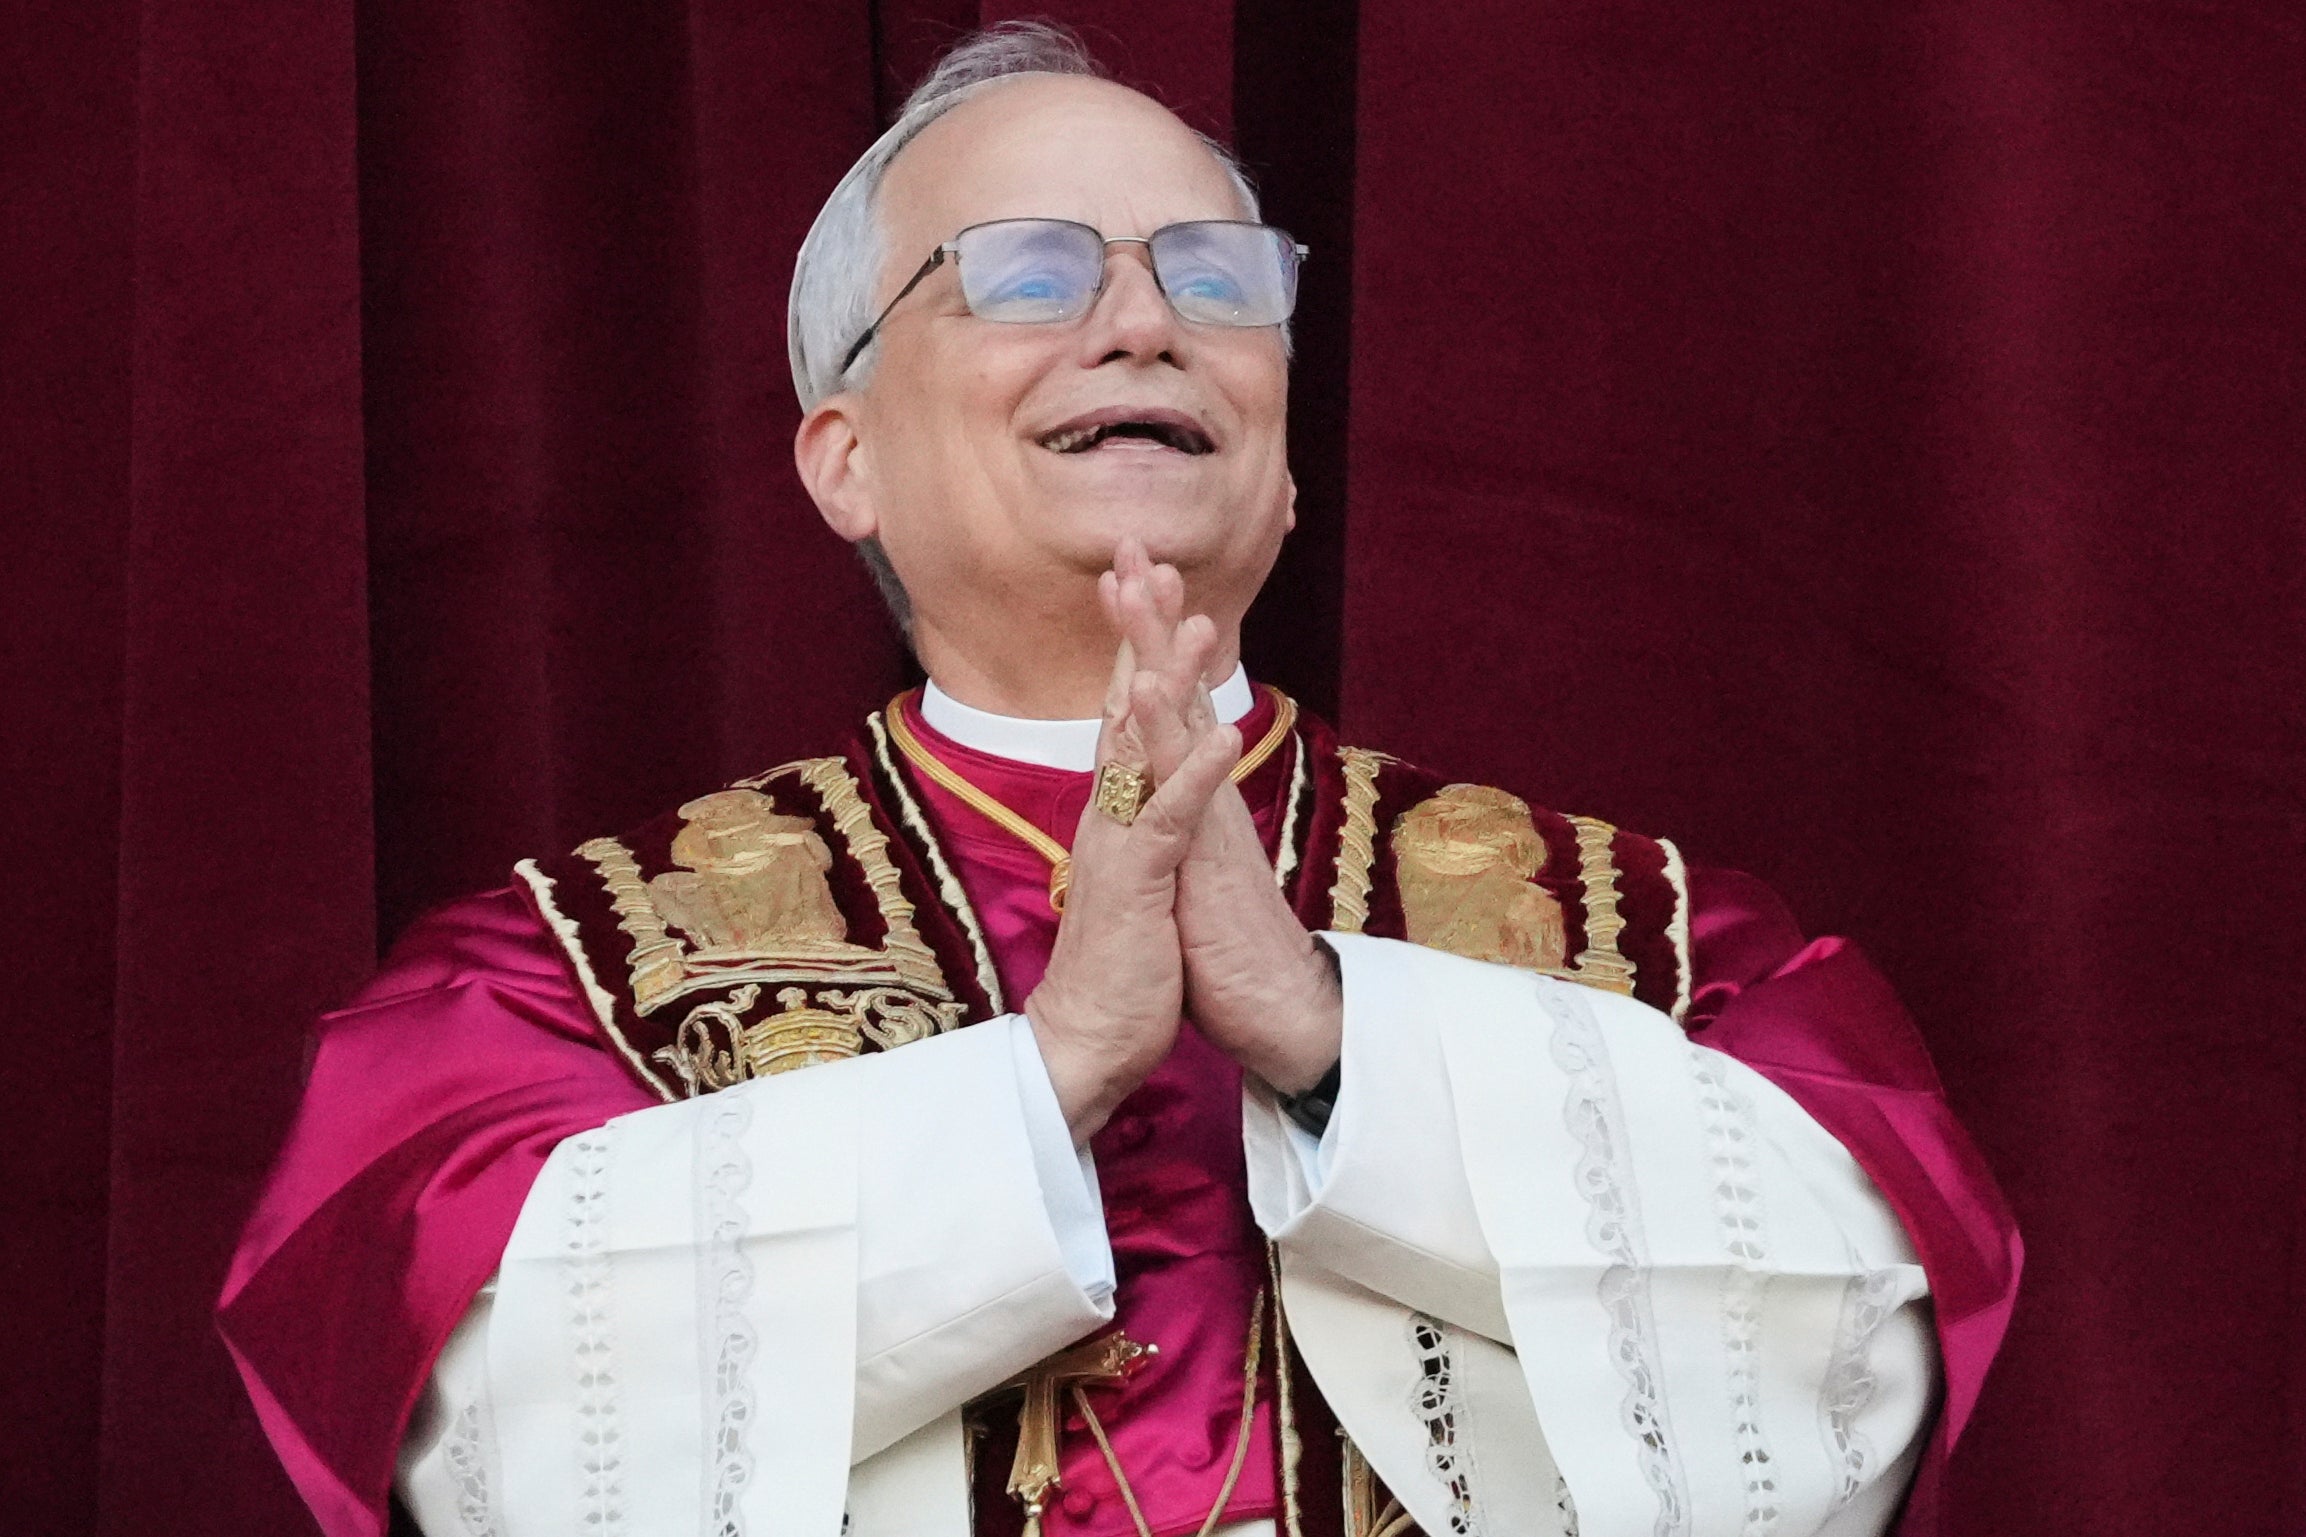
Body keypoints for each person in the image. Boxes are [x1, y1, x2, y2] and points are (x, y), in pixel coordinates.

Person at [219, 24, 2020, 1537]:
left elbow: (1872, 1333)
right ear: (844, 457)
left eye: (1217, 279)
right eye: (1028, 269)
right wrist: (1047, 1073)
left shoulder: (1649, 933)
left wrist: (1333, 1041)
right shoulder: (563, 975)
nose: (1144, 324)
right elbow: (464, 1411)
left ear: (1288, 458)